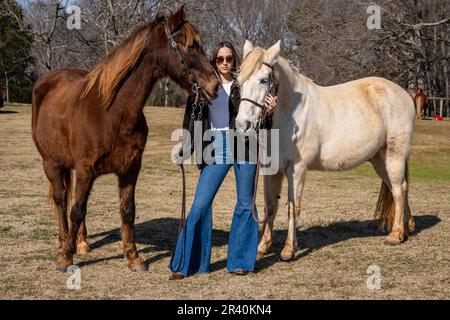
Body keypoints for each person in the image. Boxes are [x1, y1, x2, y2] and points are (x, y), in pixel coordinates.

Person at [169, 41, 277, 280]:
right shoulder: (204, 84)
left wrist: (268, 113)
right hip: (214, 145)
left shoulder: (243, 83)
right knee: (200, 205)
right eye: (220, 59)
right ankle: (187, 264)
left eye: (229, 59)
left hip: (244, 143)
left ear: (234, 60)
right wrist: (186, 147)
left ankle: (240, 262)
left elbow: (257, 118)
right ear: (213, 61)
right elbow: (192, 117)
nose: (225, 63)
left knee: (245, 203)